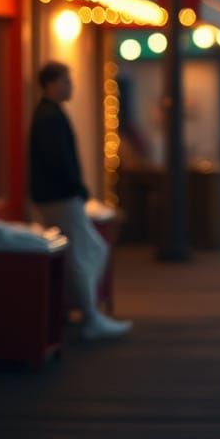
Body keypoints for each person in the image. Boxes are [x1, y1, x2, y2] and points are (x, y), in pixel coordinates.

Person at [29, 61, 132, 340]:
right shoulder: (50, 117)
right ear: (51, 84)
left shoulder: (47, 114)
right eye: (65, 81)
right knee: (87, 250)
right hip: (61, 195)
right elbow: (58, 160)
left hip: (55, 194)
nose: (71, 86)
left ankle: (82, 308)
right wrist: (77, 187)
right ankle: (89, 313)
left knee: (85, 250)